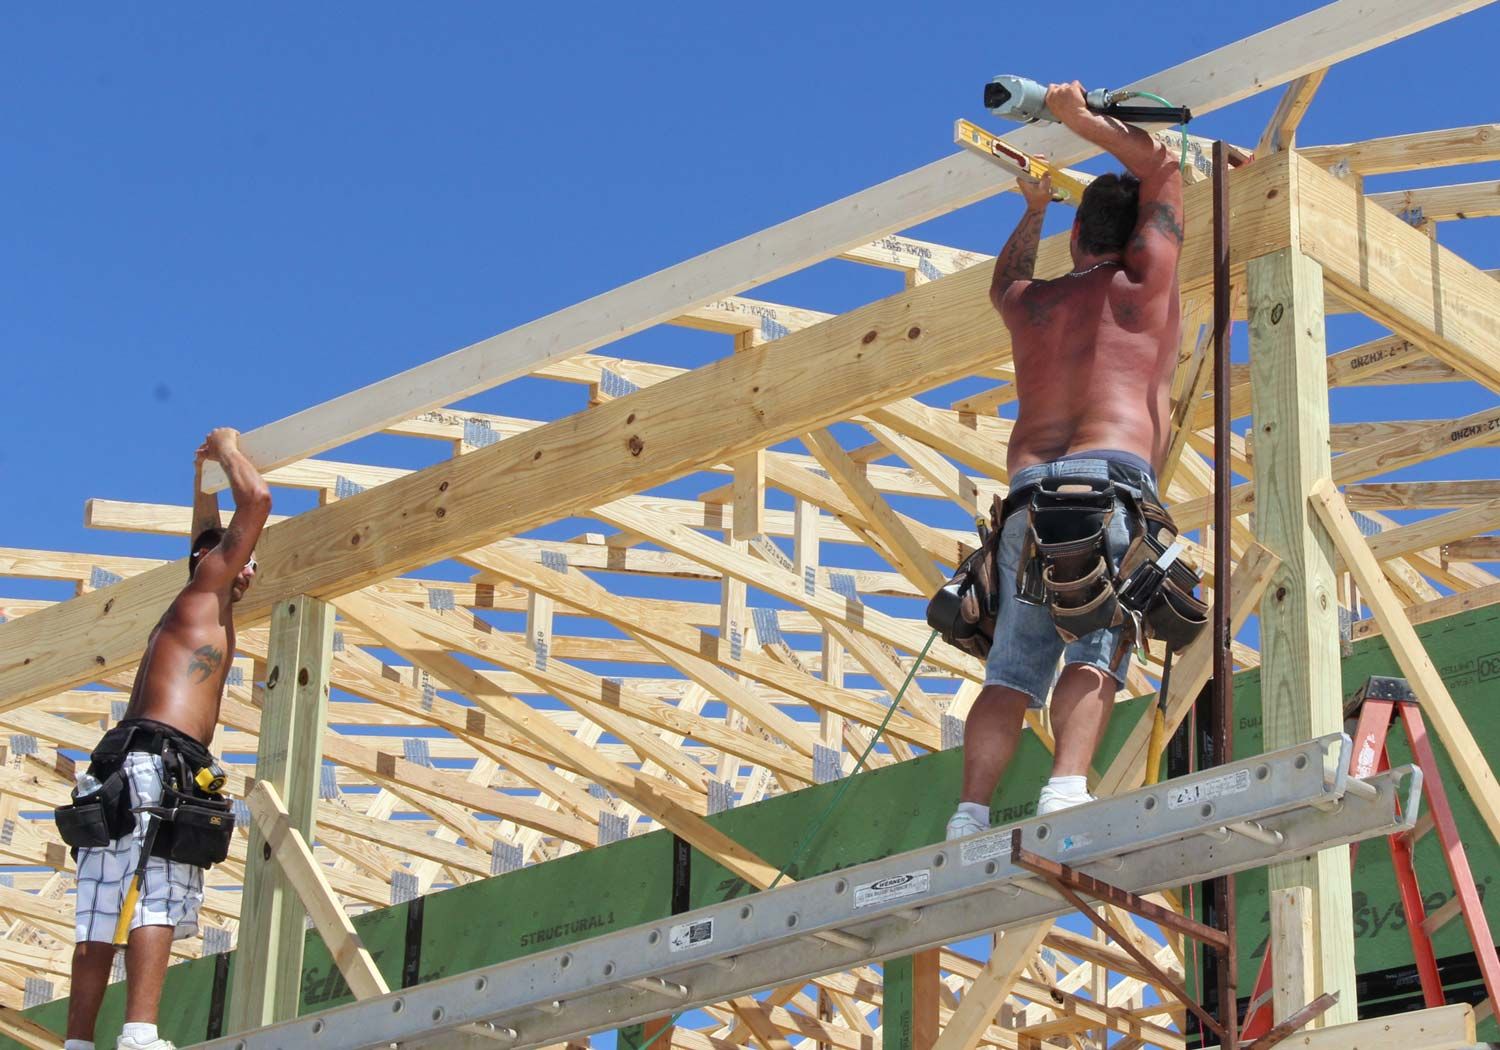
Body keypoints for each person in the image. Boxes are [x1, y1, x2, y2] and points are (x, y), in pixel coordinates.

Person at [947, 82, 1184, 840]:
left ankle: (969, 813)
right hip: (1106, 487)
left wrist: (1032, 204)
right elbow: (1166, 175)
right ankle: (1064, 792)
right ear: (1135, 236)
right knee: (1097, 642)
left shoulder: (1033, 306)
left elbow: (1005, 281)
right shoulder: (1143, 286)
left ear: (1079, 235)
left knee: (1011, 670)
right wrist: (1084, 122)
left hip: (1024, 498)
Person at [65, 428, 270, 1050]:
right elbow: (256, 501)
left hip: (121, 765)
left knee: (102, 905)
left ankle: (78, 1041)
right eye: (244, 556)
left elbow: (203, 535)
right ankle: (138, 1033)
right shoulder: (207, 590)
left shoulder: (198, 598)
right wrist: (232, 448)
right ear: (222, 559)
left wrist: (201, 477)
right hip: (161, 764)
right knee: (160, 891)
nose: (251, 565)